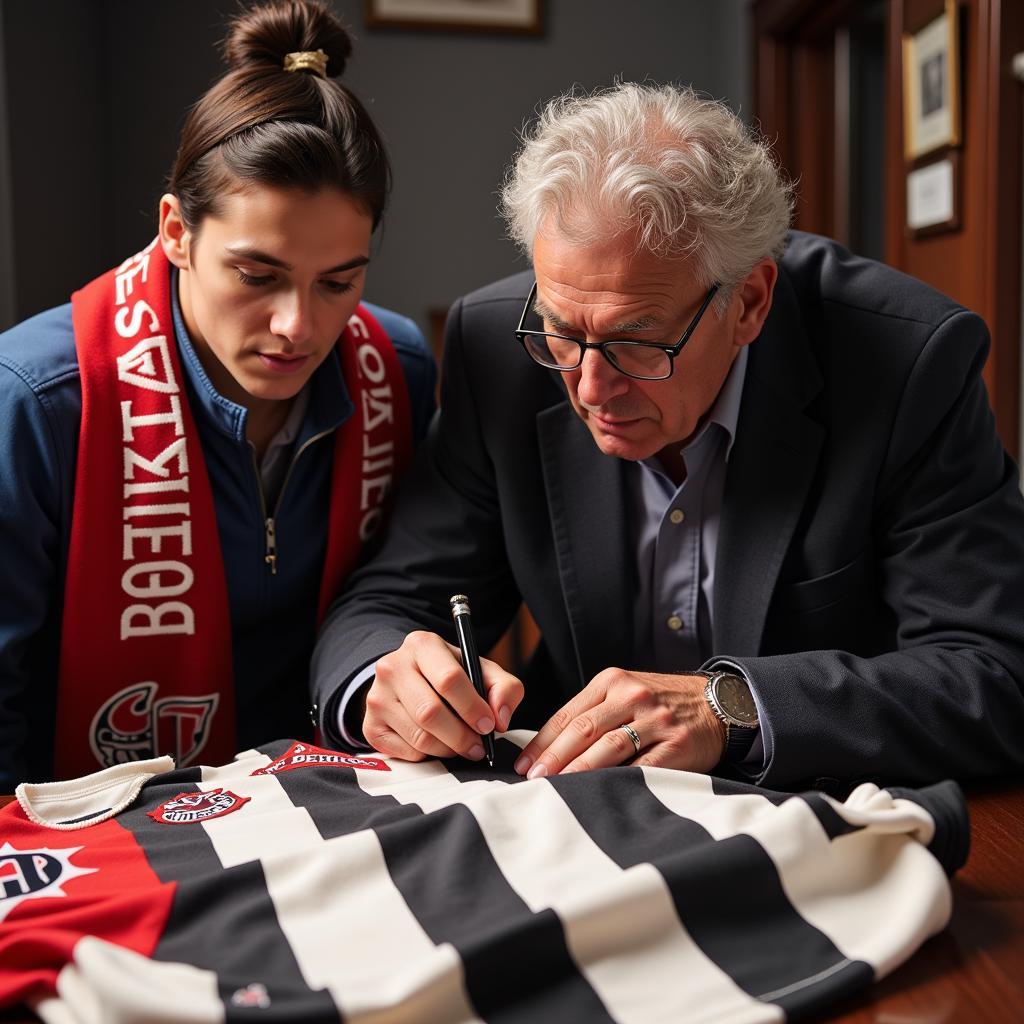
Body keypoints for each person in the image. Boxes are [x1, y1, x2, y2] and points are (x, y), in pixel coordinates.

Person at [311, 82, 1024, 791]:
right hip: (575, 805)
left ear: (749, 303)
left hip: (814, 814)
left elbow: (994, 675)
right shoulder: (494, 347)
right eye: (562, 332)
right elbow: (387, 603)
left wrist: (732, 708)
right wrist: (388, 679)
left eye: (638, 343)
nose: (590, 389)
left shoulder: (907, 363)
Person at [0, 0, 435, 789]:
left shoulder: (397, 370)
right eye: (257, 276)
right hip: (96, 835)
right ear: (175, 232)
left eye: (340, 281)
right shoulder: (38, 401)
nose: (298, 326)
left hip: (334, 808)